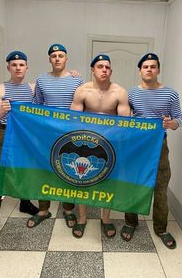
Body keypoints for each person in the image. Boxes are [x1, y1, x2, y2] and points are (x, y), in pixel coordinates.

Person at [121, 52, 182, 249]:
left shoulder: (171, 93)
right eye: (145, 67)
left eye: (153, 66)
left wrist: (171, 123)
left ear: (158, 70)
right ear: (140, 71)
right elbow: (124, 117)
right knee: (132, 183)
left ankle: (161, 229)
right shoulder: (130, 93)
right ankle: (131, 222)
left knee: (160, 188)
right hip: (136, 144)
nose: (149, 69)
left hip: (159, 145)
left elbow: (179, 119)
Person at [70, 54, 131, 238]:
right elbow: (73, 121)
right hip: (85, 141)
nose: (104, 70)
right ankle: (82, 218)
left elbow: (125, 124)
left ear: (111, 71)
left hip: (109, 143)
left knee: (108, 181)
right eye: (100, 66)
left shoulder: (119, 92)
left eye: (107, 67)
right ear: (92, 69)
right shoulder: (82, 91)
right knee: (82, 179)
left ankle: (106, 219)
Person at [27, 44, 84, 228]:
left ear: (66, 58)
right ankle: (43, 209)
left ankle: (68, 209)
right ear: (49, 59)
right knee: (44, 169)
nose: (57, 58)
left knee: (67, 170)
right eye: (54, 56)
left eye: (61, 55)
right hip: (47, 133)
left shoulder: (77, 80)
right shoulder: (42, 80)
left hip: (69, 134)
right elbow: (37, 107)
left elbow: (84, 105)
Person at [0, 51, 39, 239]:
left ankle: (25, 202)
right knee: (1, 173)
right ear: (8, 67)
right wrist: (2, 109)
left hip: (24, 135)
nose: (18, 68)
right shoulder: (1, 89)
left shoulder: (32, 89)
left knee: (24, 169)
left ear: (26, 67)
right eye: (14, 65)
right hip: (6, 132)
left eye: (21, 64)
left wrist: (74, 74)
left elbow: (53, 86)